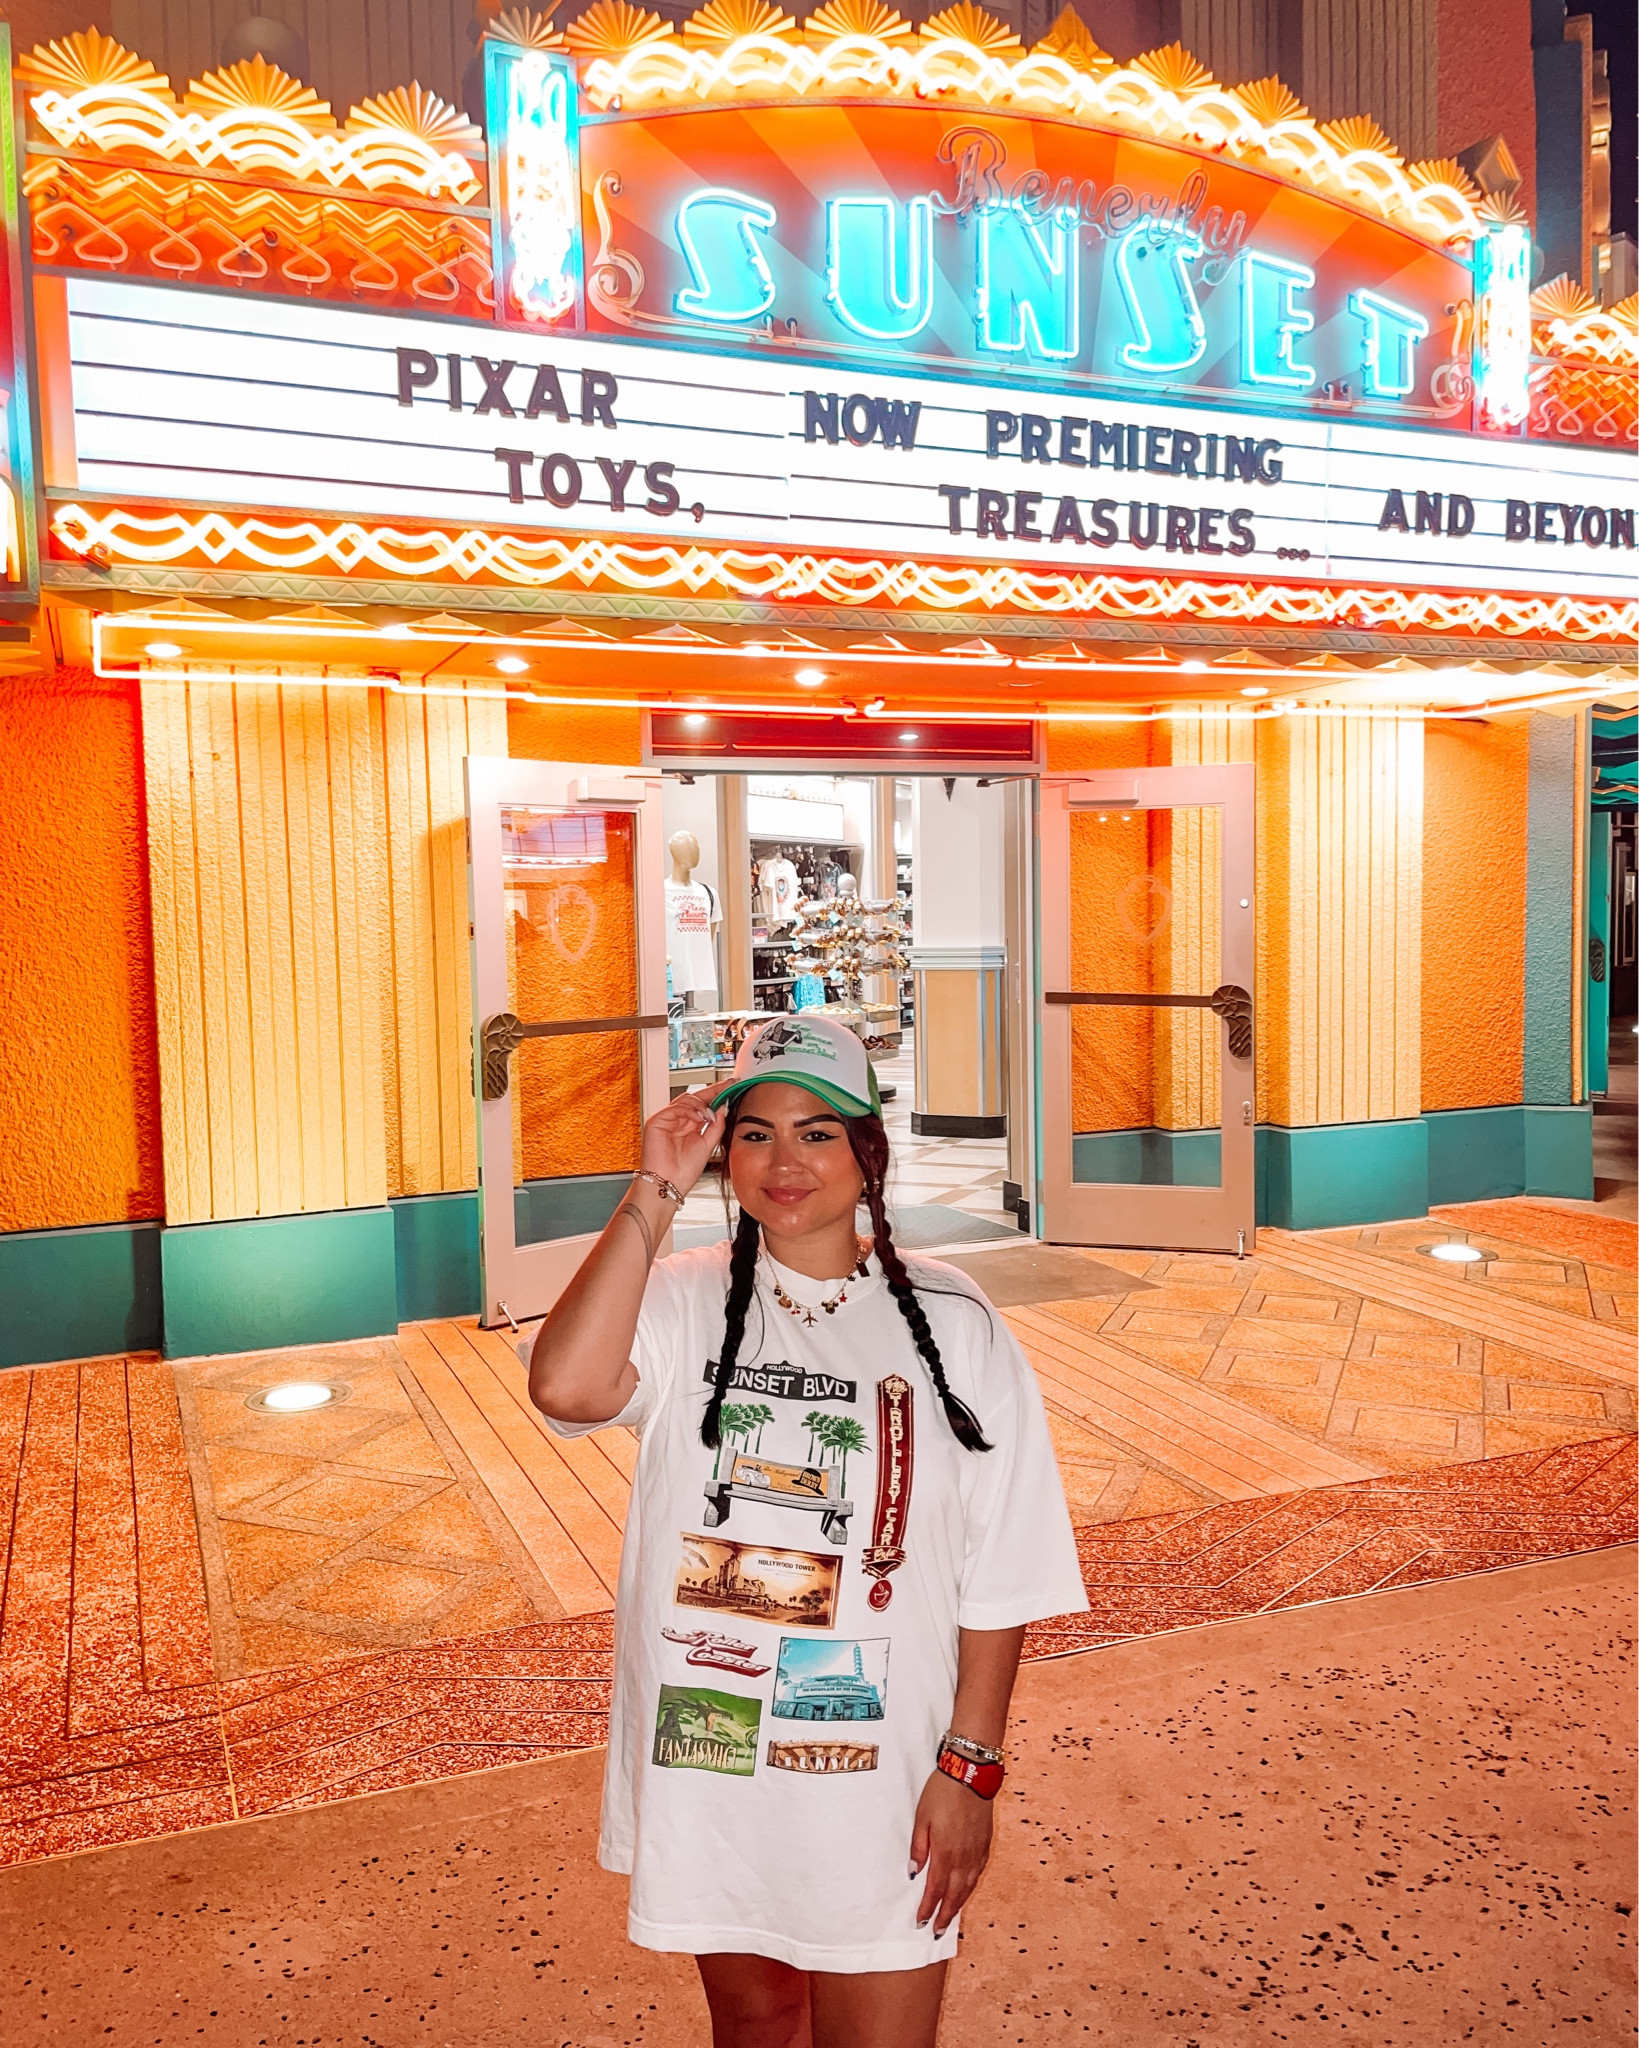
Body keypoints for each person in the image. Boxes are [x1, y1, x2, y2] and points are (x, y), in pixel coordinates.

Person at [528, 1015, 1087, 2048]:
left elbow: (1001, 1566)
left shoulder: (954, 1318)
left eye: (818, 1132)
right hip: (715, 1753)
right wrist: (653, 1186)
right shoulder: (681, 1296)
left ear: (868, 1150)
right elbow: (565, 1385)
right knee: (754, 2022)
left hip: (881, 1771)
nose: (784, 1162)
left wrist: (970, 1767)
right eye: (755, 1134)